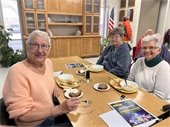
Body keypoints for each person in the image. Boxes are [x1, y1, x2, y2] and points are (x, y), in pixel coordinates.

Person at [3, 30, 80, 126]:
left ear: (49, 49)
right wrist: (60, 109)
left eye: (44, 46)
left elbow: (47, 79)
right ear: (27, 47)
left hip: (50, 113)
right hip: (36, 124)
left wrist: (54, 86)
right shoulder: (16, 72)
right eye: (34, 45)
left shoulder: (48, 62)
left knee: (81, 114)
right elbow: (22, 116)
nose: (40, 50)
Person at [128, 33, 170, 100]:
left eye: (151, 47)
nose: (147, 50)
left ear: (159, 50)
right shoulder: (139, 61)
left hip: (156, 103)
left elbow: (159, 97)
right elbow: (130, 81)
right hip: (137, 98)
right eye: (144, 48)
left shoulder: (164, 67)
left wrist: (136, 97)